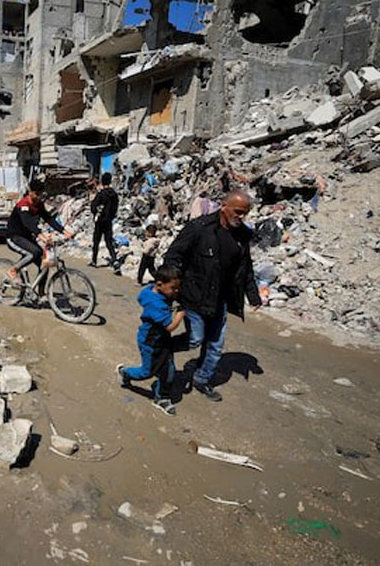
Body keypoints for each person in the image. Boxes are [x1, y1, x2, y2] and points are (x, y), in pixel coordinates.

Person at [163, 189, 262, 402]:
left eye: (245, 212)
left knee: (215, 345)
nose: (241, 216)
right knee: (195, 339)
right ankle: (163, 346)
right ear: (223, 207)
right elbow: (173, 255)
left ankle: (202, 378)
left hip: (221, 299)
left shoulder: (243, 235)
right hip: (194, 296)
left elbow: (245, 267)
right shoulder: (199, 228)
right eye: (237, 211)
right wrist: (173, 287)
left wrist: (252, 295)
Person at [116, 265, 185, 416]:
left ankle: (161, 397)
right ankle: (125, 372)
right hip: (150, 343)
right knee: (147, 371)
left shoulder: (151, 291)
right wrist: (181, 312)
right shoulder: (156, 305)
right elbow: (170, 327)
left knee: (169, 370)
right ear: (159, 284)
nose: (176, 292)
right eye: (173, 288)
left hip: (161, 340)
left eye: (178, 288)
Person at [6, 179, 74, 293]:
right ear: (30, 192)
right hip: (14, 237)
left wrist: (64, 231)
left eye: (41, 194)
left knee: (44, 264)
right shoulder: (23, 205)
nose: (39, 197)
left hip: (27, 237)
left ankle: (41, 293)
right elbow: (28, 223)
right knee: (34, 253)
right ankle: (13, 270)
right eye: (37, 194)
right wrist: (40, 235)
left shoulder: (38, 205)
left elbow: (48, 218)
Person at [89, 172, 119, 273]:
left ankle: (94, 260)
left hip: (100, 221)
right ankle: (115, 261)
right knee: (109, 242)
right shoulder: (114, 195)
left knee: (96, 241)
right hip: (109, 221)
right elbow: (115, 208)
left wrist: (96, 213)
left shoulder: (101, 194)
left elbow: (93, 207)